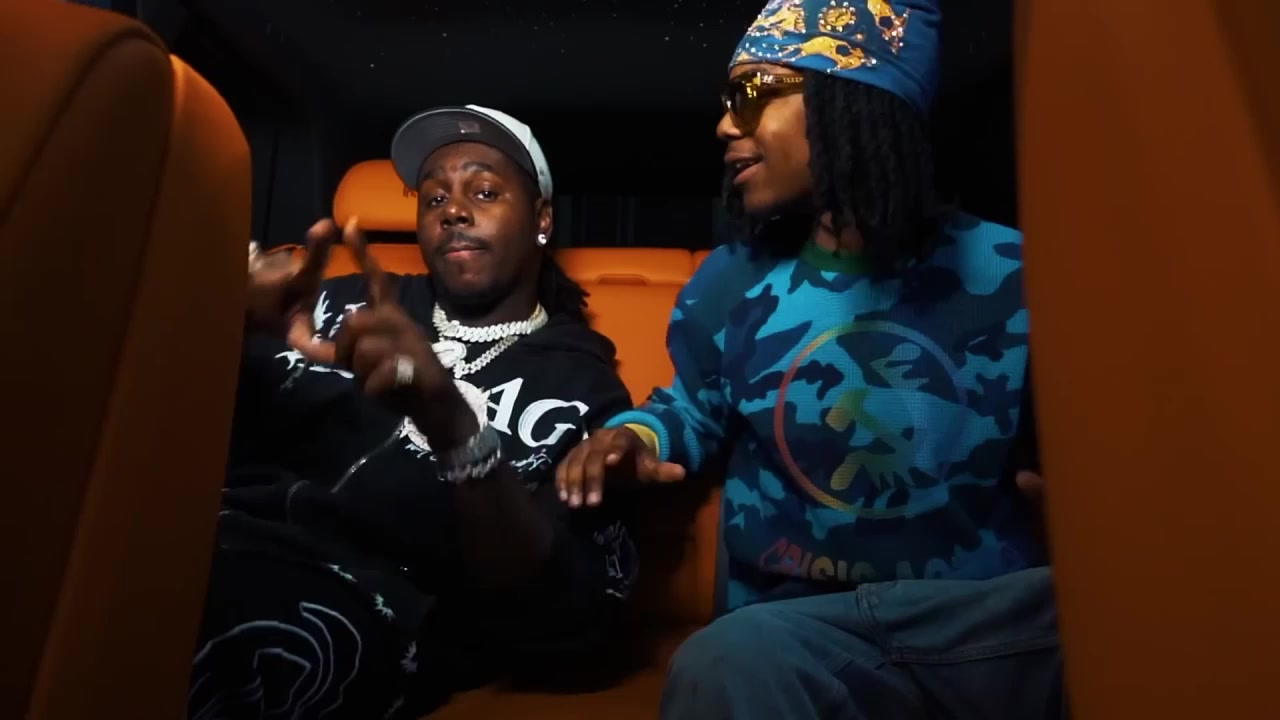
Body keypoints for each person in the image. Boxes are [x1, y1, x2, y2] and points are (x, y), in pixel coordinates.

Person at [556, 1, 1062, 717]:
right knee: (721, 661)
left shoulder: (1018, 273)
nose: (724, 125)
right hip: (803, 633)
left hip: (977, 625)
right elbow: (690, 409)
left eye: (752, 94)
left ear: (850, 98)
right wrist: (633, 439)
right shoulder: (730, 284)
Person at [189, 105, 637, 720]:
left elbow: (574, 619)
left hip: (365, 607)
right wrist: (222, 319)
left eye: (484, 192)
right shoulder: (334, 303)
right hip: (212, 534)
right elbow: (173, 430)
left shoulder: (580, 389)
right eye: (434, 199)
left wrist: (451, 424)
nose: (453, 211)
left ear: (541, 219)